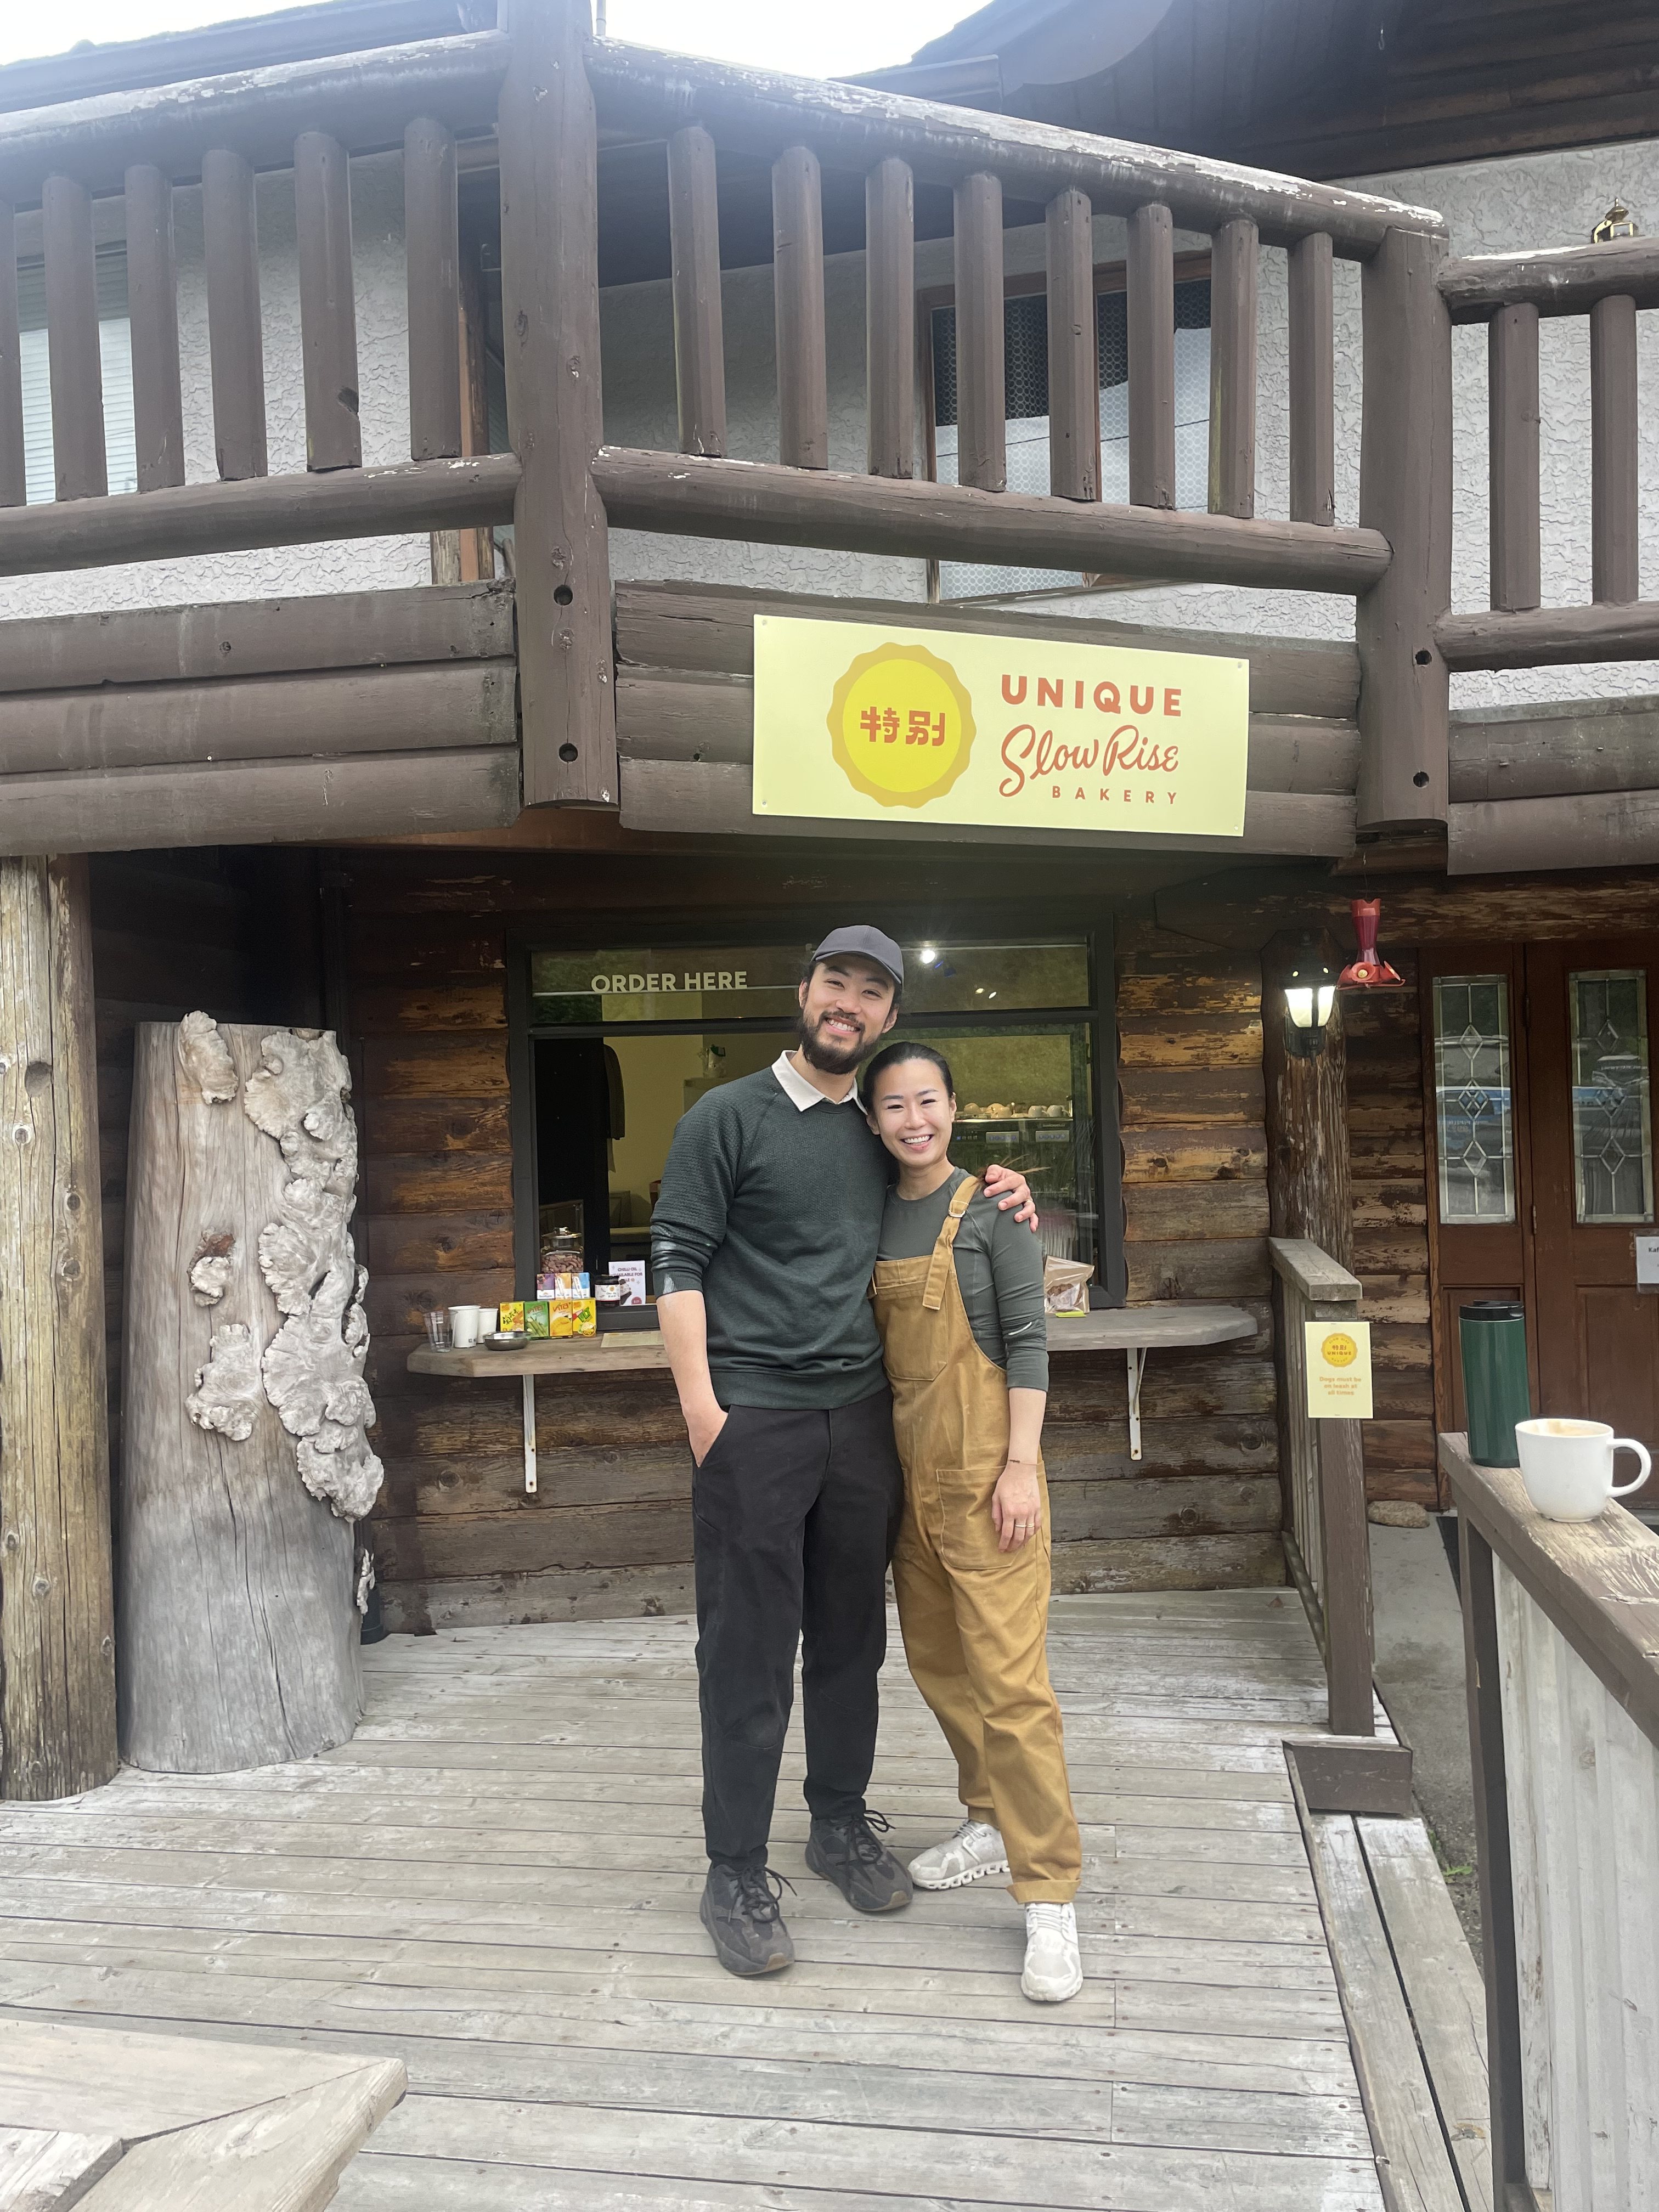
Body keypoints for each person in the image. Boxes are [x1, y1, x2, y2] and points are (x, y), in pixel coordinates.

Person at [651, 927, 1037, 1978]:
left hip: (861, 1421)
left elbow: (940, 1192)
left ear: (888, 1019)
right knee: (745, 1651)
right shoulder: (724, 1117)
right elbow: (676, 1258)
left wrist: (1008, 1192)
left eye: (872, 995)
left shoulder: (878, 1131)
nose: (849, 1007)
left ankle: (835, 1823)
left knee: (850, 1643)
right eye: (837, 985)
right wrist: (703, 1414)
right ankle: (733, 1869)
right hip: (753, 1421)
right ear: (806, 991)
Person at [862, 1038, 1084, 2004]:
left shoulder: (995, 1211)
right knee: (942, 1668)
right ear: (873, 1121)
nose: (915, 1120)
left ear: (956, 1106)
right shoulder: (869, 1210)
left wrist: (1022, 1469)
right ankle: (989, 1822)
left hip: (992, 1480)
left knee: (1014, 1690)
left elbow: (1030, 1342)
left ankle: (1050, 1898)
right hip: (911, 1487)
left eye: (929, 1101)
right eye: (896, 1106)